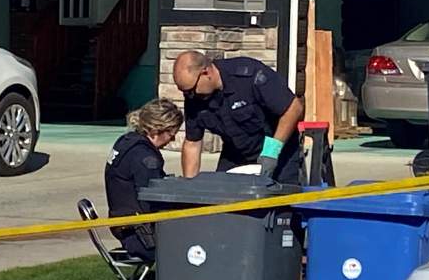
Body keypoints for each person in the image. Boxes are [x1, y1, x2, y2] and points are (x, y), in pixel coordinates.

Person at [173, 51, 305, 184]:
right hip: (236, 153)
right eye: (185, 92)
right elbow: (192, 143)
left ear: (206, 72)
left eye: (191, 90)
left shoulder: (249, 76)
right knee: (220, 197)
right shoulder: (194, 99)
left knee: (279, 199)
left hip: (277, 149)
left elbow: (294, 108)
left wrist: (272, 151)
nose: (189, 96)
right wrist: (189, 185)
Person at [104, 98, 184, 263]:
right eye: (171, 133)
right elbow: (152, 202)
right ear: (157, 129)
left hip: (123, 227)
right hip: (141, 238)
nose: (173, 139)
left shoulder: (126, 142)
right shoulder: (145, 158)